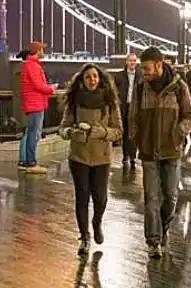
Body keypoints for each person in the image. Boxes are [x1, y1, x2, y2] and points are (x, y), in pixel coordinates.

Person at [129, 47, 191, 259]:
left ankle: (164, 227)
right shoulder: (140, 88)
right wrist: (136, 139)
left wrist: (179, 134)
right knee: (151, 199)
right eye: (141, 68)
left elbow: (189, 115)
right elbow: (133, 117)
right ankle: (153, 241)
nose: (143, 72)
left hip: (171, 150)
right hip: (148, 151)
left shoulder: (179, 87)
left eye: (146, 68)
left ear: (159, 65)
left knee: (171, 196)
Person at [57, 63, 123, 256]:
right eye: (88, 77)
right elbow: (63, 128)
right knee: (82, 198)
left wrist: (103, 132)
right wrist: (71, 132)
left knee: (101, 198)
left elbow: (118, 130)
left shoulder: (110, 102)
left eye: (95, 76)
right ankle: (84, 237)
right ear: (82, 80)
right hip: (79, 157)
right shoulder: (74, 101)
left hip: (102, 157)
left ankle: (97, 222)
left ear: (100, 79)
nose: (92, 80)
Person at [18, 41, 55, 174]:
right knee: (34, 134)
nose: (43, 52)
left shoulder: (28, 64)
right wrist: (51, 89)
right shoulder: (33, 66)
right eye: (42, 50)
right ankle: (31, 163)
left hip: (32, 103)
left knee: (29, 133)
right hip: (35, 104)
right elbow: (38, 85)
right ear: (37, 51)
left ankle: (24, 161)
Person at [114, 53, 141, 169]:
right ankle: (125, 156)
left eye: (134, 61)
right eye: (130, 61)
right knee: (125, 133)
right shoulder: (119, 76)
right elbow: (114, 91)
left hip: (135, 107)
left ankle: (133, 155)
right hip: (123, 107)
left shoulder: (141, 76)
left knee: (134, 133)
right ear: (126, 62)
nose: (132, 63)